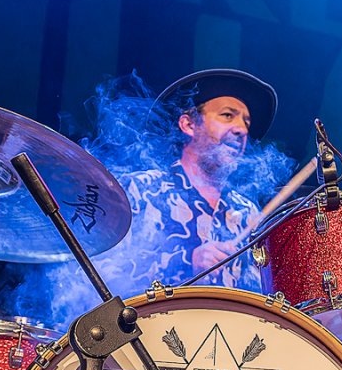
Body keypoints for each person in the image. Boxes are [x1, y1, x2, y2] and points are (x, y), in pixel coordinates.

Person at [112, 68, 278, 293]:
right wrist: (186, 264)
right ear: (189, 125)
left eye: (246, 123)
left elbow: (264, 296)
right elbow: (102, 278)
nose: (241, 129)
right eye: (227, 115)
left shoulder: (248, 213)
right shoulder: (140, 189)